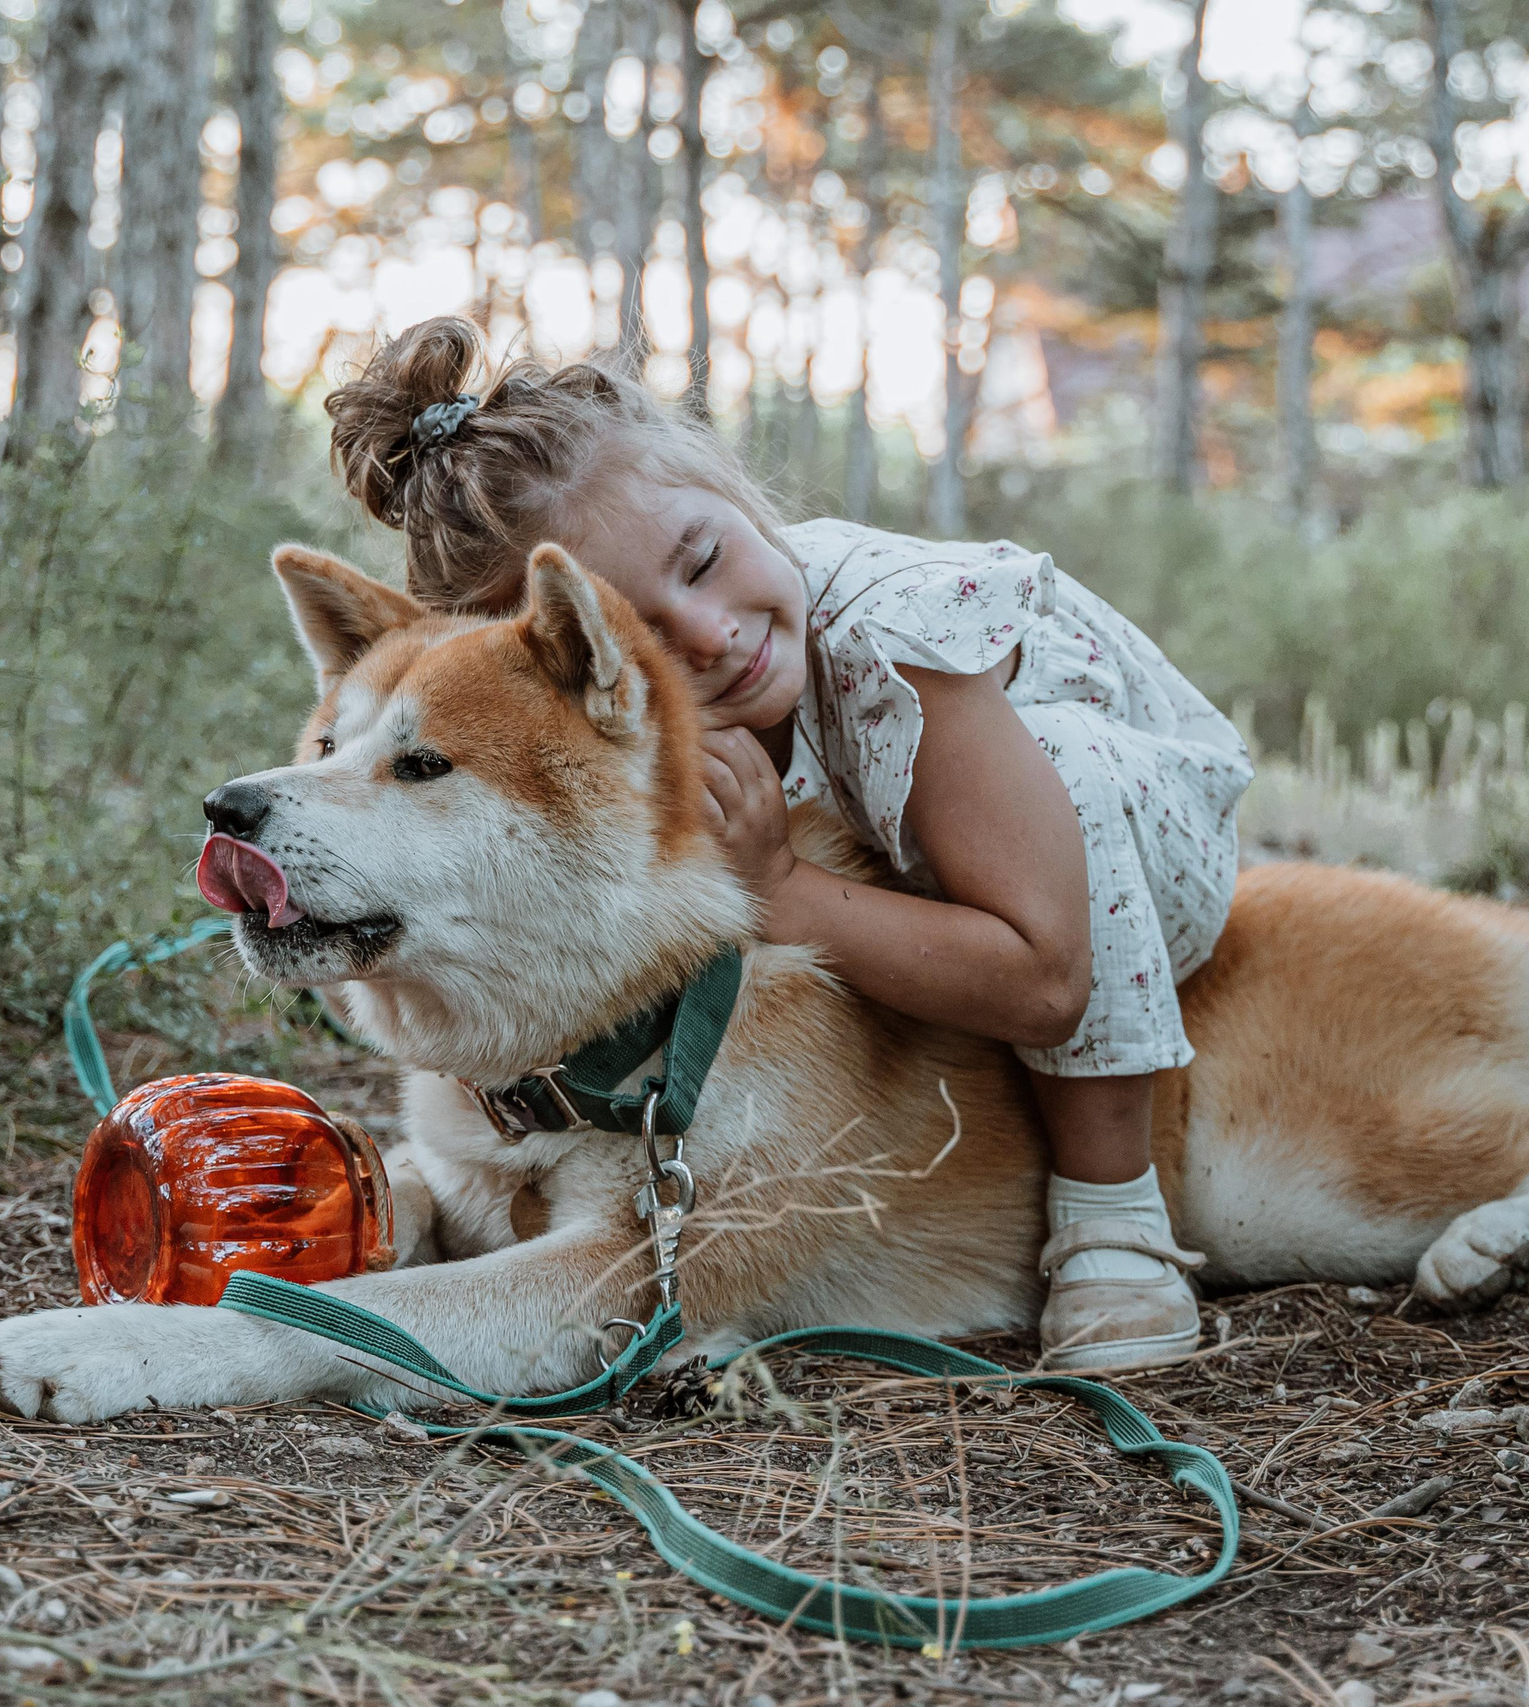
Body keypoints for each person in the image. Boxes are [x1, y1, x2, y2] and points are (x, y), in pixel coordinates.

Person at [321, 319, 1253, 1372]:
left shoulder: (897, 635)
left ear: (731, 487)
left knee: (1061, 777)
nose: (710, 633)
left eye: (704, 561)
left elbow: (1047, 985)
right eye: (635, 640)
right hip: (924, 871)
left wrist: (784, 886)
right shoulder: (664, 713)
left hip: (1124, 864)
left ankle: (1112, 1218)